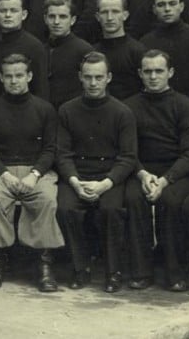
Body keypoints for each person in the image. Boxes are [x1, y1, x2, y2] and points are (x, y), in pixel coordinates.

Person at [0, 53, 63, 292]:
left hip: (34, 171)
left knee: (46, 199)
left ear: (29, 76)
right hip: (0, 170)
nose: (14, 81)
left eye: (19, 76)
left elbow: (50, 149)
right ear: (1, 78)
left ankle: (44, 265)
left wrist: (34, 174)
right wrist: (4, 174)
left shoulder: (44, 109)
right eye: (9, 76)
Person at [56, 52, 137, 293]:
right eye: (88, 77)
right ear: (80, 77)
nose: (93, 83)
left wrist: (105, 184)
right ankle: (80, 268)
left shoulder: (122, 112)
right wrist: (76, 183)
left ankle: (113, 271)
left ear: (108, 78)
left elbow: (128, 157)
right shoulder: (67, 110)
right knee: (65, 208)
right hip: (77, 175)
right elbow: (63, 153)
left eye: (98, 77)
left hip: (109, 176)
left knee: (111, 210)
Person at [124, 50, 189, 292]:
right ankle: (141, 272)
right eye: (148, 71)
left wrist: (165, 181)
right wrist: (143, 175)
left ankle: (175, 272)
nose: (153, 76)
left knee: (171, 202)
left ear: (171, 73)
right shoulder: (129, 107)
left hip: (176, 172)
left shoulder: (185, 106)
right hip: (142, 171)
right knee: (134, 199)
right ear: (140, 74)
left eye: (159, 71)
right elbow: (127, 150)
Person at [140, 0, 189, 105]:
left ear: (181, 7)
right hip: (158, 105)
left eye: (172, 4)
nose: (167, 9)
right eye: (161, 5)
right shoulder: (146, 41)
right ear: (154, 9)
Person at [0, 0, 49, 100]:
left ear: (24, 15)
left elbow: (41, 88)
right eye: (3, 11)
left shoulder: (34, 46)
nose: (7, 15)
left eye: (13, 11)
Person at [93, 0, 146, 100]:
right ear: (98, 17)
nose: (109, 17)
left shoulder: (137, 51)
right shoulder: (92, 51)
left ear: (125, 15)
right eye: (104, 12)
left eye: (115, 12)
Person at [45, 0, 93, 108]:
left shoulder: (84, 50)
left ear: (72, 20)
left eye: (62, 17)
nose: (56, 22)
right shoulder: (41, 50)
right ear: (45, 19)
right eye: (52, 16)